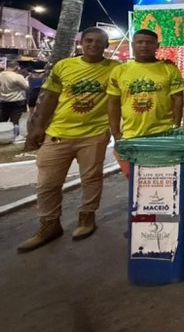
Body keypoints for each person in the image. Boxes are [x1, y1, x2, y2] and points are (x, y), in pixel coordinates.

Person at [17, 28, 118, 252]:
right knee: (47, 183)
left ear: (106, 46)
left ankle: (87, 217)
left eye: (98, 42)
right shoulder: (64, 66)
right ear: (81, 42)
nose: (93, 45)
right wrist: (38, 127)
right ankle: (49, 224)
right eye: (88, 40)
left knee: (91, 178)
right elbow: (49, 97)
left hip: (94, 134)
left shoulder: (116, 69)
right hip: (58, 133)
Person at [107, 29, 184, 179]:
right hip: (131, 135)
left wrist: (175, 126)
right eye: (140, 42)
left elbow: (178, 99)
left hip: (163, 134)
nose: (144, 45)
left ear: (157, 45)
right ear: (133, 44)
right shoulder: (120, 71)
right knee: (134, 180)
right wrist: (115, 132)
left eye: (149, 42)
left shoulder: (169, 69)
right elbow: (113, 103)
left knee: (161, 178)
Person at [0, 61, 29, 143]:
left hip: (3, 101)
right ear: (16, 67)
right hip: (17, 101)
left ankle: (2, 136)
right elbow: (26, 87)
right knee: (15, 121)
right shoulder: (17, 76)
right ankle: (15, 137)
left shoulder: (0, 75)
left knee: (2, 120)